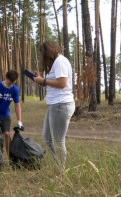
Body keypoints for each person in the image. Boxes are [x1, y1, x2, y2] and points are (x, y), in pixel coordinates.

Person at [33, 41, 75, 172]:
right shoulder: (56, 63)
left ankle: (61, 171)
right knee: (47, 138)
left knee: (58, 141)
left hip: (61, 104)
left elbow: (62, 83)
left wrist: (43, 80)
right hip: (54, 104)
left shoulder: (60, 61)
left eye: (43, 53)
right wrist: (41, 79)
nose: (43, 56)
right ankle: (59, 164)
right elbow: (54, 82)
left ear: (49, 51)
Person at [0, 70, 23, 157]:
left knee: (7, 134)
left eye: (13, 83)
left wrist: (19, 121)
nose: (10, 85)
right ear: (5, 78)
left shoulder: (15, 89)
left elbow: (17, 105)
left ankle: (10, 158)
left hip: (5, 114)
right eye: (9, 82)